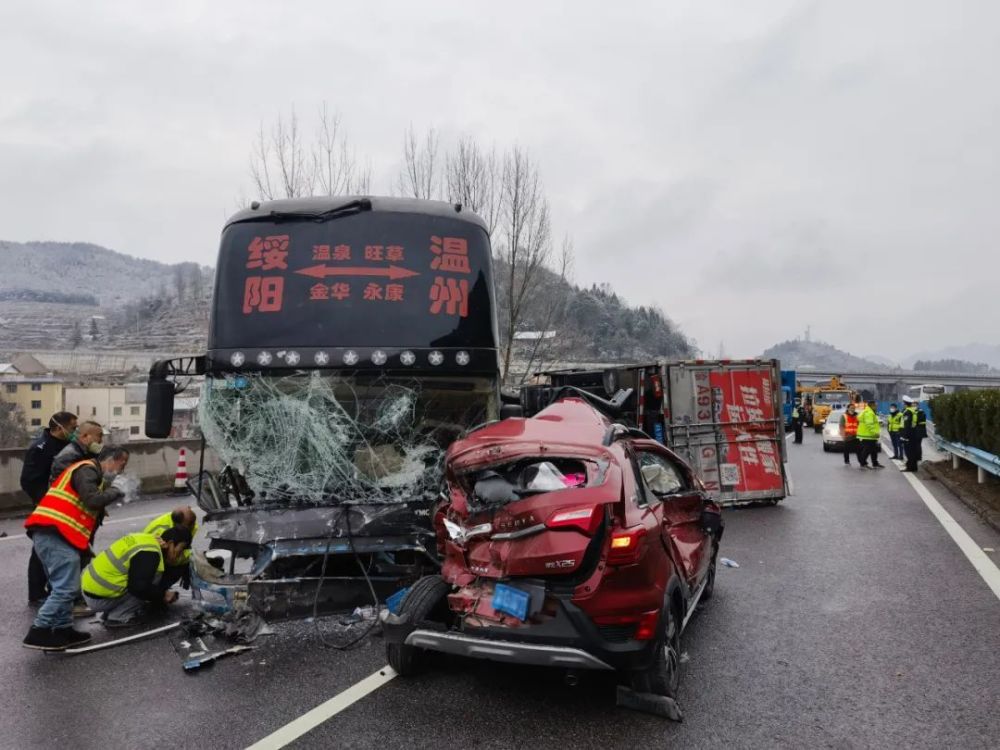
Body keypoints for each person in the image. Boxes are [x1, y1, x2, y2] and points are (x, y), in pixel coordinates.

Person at [21, 433, 127, 651]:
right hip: (53, 533)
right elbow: (92, 500)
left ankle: (63, 629)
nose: (121, 470)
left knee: (64, 586)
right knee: (66, 589)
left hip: (57, 534)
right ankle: (38, 631)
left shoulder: (89, 473)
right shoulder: (86, 469)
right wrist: (116, 491)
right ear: (110, 459)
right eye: (121, 464)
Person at [20, 411, 78, 604]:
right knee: (42, 550)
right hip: (48, 505)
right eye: (72, 428)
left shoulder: (69, 447)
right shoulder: (40, 448)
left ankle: (60, 589)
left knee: (63, 548)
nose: (74, 432)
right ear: (58, 427)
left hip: (66, 505)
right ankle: (37, 593)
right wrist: (46, 502)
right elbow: (29, 480)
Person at [81, 527, 192, 627]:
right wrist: (163, 594)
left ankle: (113, 611)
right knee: (149, 582)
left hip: (91, 589)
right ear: (170, 543)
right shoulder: (150, 554)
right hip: (98, 599)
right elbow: (139, 587)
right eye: (180, 550)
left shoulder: (147, 539)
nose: (178, 556)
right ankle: (119, 617)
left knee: (141, 580)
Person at [144, 506, 198, 588]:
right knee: (177, 567)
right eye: (190, 524)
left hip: (165, 553)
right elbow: (171, 560)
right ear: (179, 524)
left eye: (193, 523)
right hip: (150, 560)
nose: (194, 526)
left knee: (188, 559)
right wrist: (190, 556)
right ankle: (158, 590)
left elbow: (186, 545)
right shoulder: (162, 532)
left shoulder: (185, 524)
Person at [901, 396, 927, 472]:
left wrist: (904, 436)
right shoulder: (913, 411)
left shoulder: (907, 412)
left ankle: (910, 467)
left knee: (909, 452)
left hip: (909, 435)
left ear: (905, 404)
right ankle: (913, 466)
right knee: (913, 450)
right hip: (913, 434)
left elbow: (907, 425)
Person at [856, 401, 883, 469]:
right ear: (872, 405)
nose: (876, 407)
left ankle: (875, 463)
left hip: (868, 435)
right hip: (868, 435)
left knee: (874, 450)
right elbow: (869, 424)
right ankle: (863, 463)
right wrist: (875, 432)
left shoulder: (867, 411)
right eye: (875, 405)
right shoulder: (869, 413)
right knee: (867, 450)